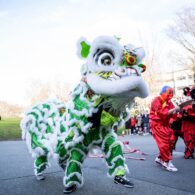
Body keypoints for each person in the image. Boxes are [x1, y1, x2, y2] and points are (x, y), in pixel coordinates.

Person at [149, 86, 179, 172]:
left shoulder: (169, 102)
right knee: (164, 143)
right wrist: (174, 110)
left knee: (171, 141)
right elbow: (162, 113)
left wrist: (177, 110)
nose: (171, 95)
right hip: (157, 124)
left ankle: (160, 158)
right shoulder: (156, 100)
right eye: (169, 93)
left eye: (172, 93)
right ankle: (166, 162)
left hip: (165, 125)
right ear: (163, 92)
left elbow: (173, 114)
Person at [181, 86, 195, 159]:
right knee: (189, 137)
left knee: (189, 137)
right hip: (188, 122)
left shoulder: (189, 102)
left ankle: (189, 152)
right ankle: (189, 151)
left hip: (190, 122)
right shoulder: (187, 100)